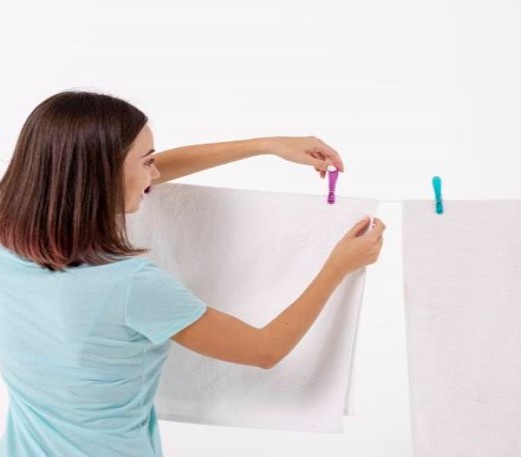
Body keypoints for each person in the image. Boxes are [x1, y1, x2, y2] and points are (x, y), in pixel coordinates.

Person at [0, 90, 386, 456]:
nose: (155, 174)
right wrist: (338, 267)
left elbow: (117, 176)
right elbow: (263, 349)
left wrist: (265, 145)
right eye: (147, 160)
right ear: (103, 175)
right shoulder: (130, 285)